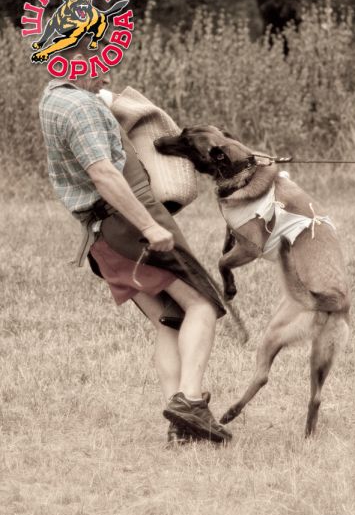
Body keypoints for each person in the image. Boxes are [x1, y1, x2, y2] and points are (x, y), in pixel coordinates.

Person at [38, 40, 232, 446]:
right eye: (101, 63)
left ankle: (181, 426)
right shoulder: (82, 108)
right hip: (129, 224)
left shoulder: (53, 99)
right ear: (76, 60)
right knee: (202, 304)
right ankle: (191, 402)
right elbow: (104, 174)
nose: (107, 75)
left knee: (170, 318)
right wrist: (150, 226)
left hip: (100, 236)